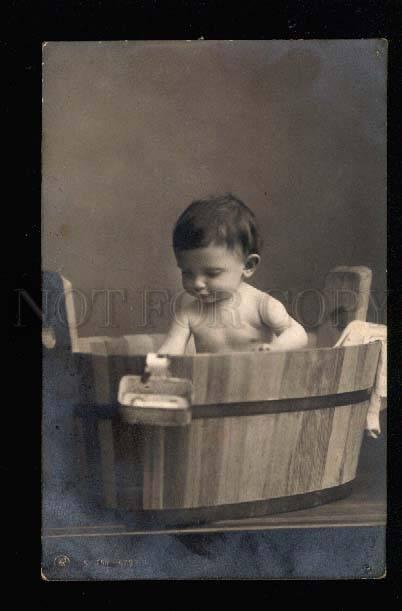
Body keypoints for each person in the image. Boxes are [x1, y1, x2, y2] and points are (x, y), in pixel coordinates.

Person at [158, 194, 308, 354]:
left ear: (248, 266)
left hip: (260, 377)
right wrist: (156, 363)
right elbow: (170, 350)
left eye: (211, 273)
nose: (197, 283)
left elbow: (298, 334)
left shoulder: (261, 305)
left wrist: (276, 348)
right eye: (187, 272)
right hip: (212, 379)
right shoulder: (188, 314)